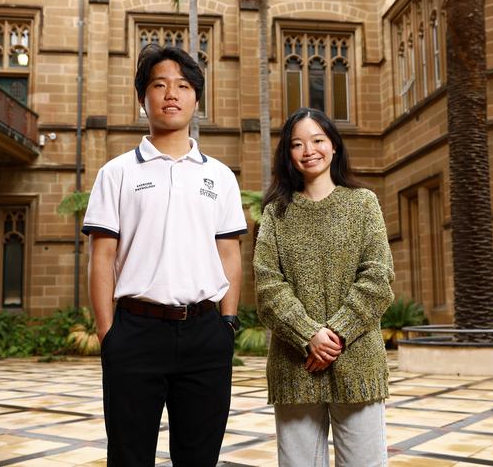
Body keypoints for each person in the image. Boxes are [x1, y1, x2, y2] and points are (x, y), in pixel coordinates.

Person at [82, 44, 247, 467]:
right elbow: (102, 258)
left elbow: (229, 252)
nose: (171, 93)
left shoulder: (220, 176)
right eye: (159, 85)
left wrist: (227, 324)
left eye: (183, 85)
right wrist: (109, 336)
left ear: (197, 99)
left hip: (206, 333)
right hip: (135, 332)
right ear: (143, 99)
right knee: (129, 456)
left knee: (199, 458)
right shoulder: (117, 172)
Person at [253, 107, 395, 467]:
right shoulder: (275, 213)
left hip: (358, 362)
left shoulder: (363, 203)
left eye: (317, 140)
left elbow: (379, 277)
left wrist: (335, 333)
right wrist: (308, 335)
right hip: (293, 366)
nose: (308, 150)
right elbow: (268, 286)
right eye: (297, 144)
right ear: (288, 154)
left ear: (333, 145)